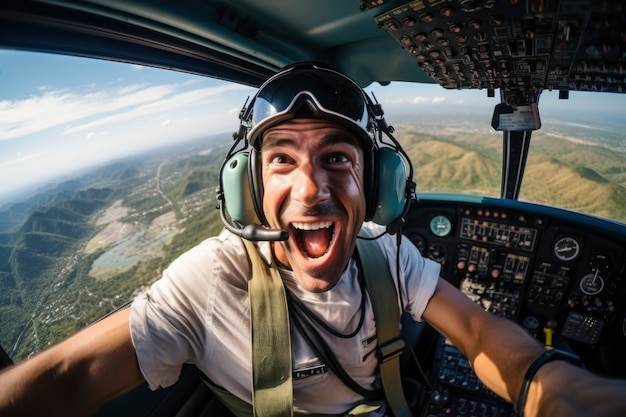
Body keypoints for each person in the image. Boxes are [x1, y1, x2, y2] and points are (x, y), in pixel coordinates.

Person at [0, 62, 625, 417]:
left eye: (336, 159)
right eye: (281, 160)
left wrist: (548, 383)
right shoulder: (208, 283)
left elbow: (480, 330)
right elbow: (68, 375)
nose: (310, 190)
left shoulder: (389, 256)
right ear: (249, 186)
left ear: (373, 184)